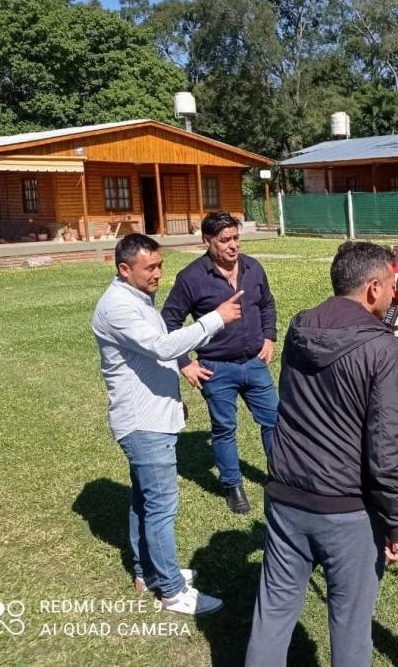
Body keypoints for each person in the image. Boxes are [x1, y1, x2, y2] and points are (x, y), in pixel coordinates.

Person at [246, 241, 398, 667]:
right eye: (393, 286)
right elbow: (388, 447)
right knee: (351, 624)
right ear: (374, 288)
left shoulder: (300, 326)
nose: (396, 295)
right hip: (346, 512)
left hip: (285, 496)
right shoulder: (386, 351)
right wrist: (396, 523)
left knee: (273, 613)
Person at [92, 233, 244, 615]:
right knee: (161, 506)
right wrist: (215, 319)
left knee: (144, 499)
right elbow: (163, 347)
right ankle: (172, 592)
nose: (159, 273)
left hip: (153, 415)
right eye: (151, 268)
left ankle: (147, 572)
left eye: (160, 265)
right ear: (124, 269)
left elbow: (154, 355)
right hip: (142, 423)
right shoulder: (118, 308)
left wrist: (173, 402)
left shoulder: (137, 298)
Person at [161, 212, 279, 515]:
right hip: (216, 367)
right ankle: (232, 485)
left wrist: (269, 337)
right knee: (224, 428)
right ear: (207, 241)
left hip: (255, 362)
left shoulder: (253, 268)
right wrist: (184, 362)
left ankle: (281, 477)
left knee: (275, 420)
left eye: (236, 238)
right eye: (224, 240)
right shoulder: (191, 278)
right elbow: (169, 322)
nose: (232, 245)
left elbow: (267, 303)